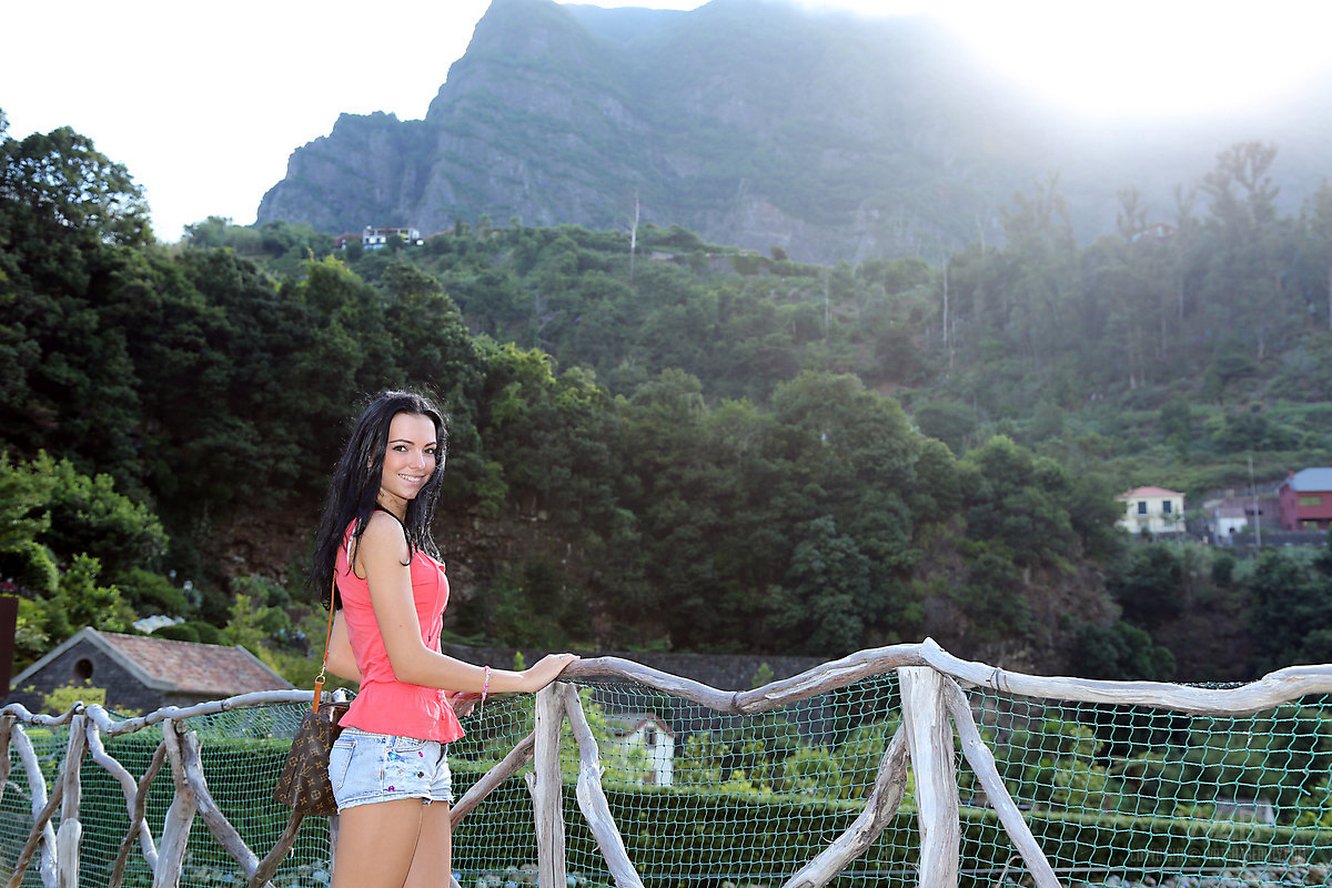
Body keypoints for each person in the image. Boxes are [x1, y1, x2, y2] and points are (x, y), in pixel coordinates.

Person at [309, 390, 578, 888]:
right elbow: (408, 662)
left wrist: (437, 686)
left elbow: (344, 655)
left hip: (415, 748)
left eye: (429, 450)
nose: (419, 463)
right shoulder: (380, 532)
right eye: (401, 448)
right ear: (371, 453)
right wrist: (521, 679)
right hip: (390, 748)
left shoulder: (373, 530)